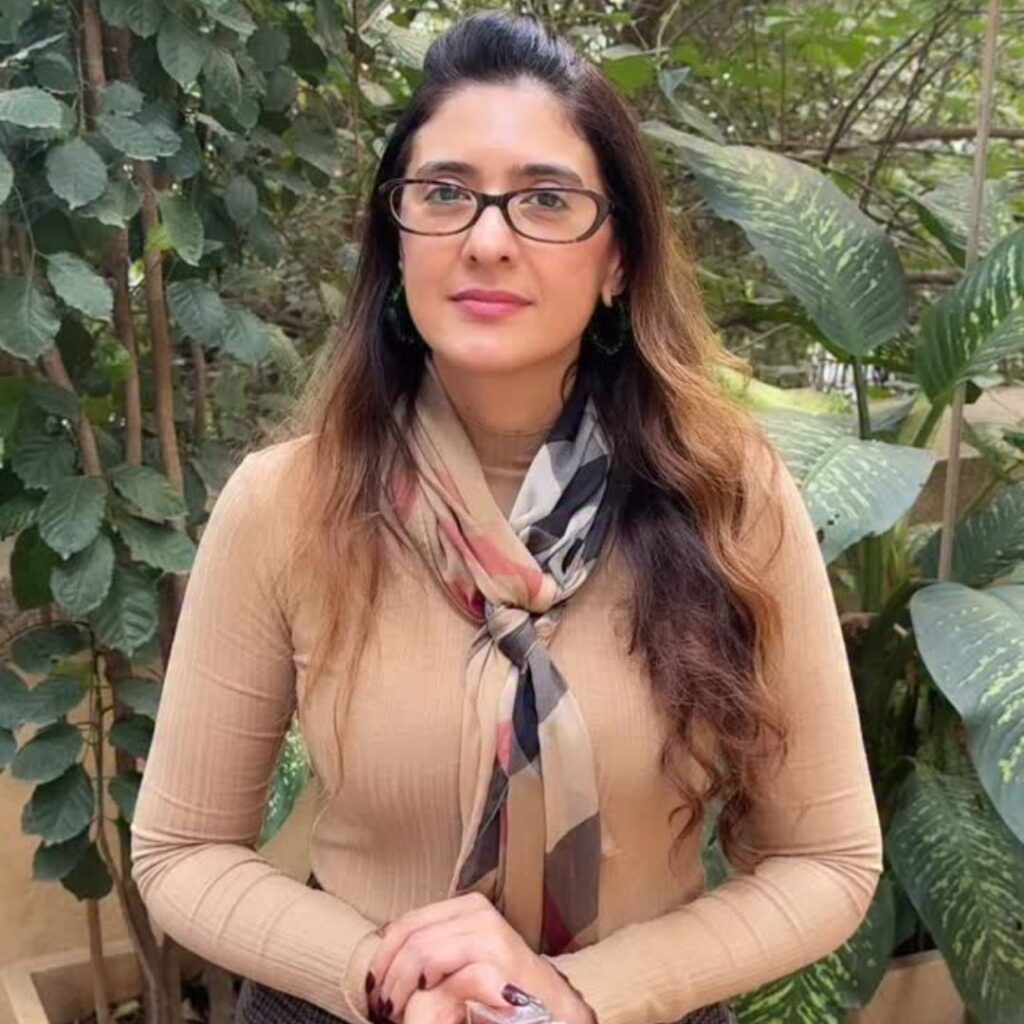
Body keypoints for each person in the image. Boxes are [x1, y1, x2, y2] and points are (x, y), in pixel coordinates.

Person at [130, 11, 883, 1024]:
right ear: (396, 240)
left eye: (544, 199)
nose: (486, 240)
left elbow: (827, 860)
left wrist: (574, 995)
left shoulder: (727, 497)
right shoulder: (288, 505)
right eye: (444, 194)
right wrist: (383, 973)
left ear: (617, 257)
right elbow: (181, 852)